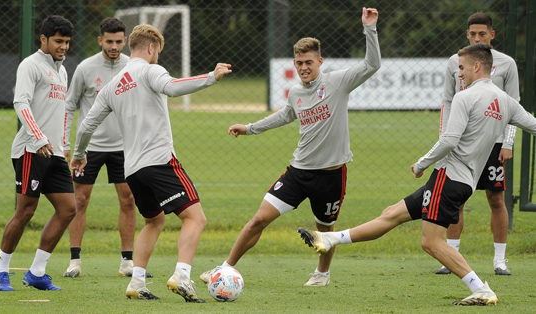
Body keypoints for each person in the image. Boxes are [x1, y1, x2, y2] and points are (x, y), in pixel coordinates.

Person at [298, 43, 536, 305]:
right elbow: (533, 125)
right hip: (463, 181)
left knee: (431, 242)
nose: (459, 73)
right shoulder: (506, 101)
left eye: (461, 67)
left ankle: (481, 289)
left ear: (476, 66)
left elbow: (449, 140)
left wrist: (422, 163)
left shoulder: (464, 97)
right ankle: (329, 238)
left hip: (448, 176)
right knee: (392, 214)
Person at [199, 7, 381, 287]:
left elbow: (372, 65)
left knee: (325, 230)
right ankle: (223, 268)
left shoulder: (338, 82)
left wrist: (369, 27)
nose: (303, 68)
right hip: (298, 173)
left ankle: (322, 274)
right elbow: (285, 115)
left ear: (320, 61)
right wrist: (249, 128)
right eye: (299, 63)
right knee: (260, 218)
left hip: (331, 175)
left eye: (308, 62)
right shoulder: (296, 92)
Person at [70, 24, 232, 301]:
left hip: (131, 168)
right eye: (158, 51)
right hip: (159, 161)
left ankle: (137, 282)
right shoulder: (150, 70)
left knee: (154, 221)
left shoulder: (112, 85)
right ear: (151, 47)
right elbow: (172, 87)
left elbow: (86, 125)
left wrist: (79, 154)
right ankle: (182, 275)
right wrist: (210, 77)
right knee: (195, 218)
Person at [0, 15, 76, 291]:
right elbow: (21, 102)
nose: (63, 47)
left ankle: (37, 272)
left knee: (68, 209)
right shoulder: (30, 65)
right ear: (44, 39)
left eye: (67, 42)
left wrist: (62, 145)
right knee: (25, 211)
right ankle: (1, 270)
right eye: (58, 41)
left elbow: (61, 112)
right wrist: (38, 138)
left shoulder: (62, 71)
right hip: (30, 150)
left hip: (54, 153)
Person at [62, 17, 151, 279]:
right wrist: (66, 143)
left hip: (125, 148)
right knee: (79, 201)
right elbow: (69, 105)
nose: (114, 46)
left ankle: (127, 262)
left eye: (119, 41)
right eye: (109, 41)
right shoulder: (85, 68)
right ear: (100, 40)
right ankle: (75, 261)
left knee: (129, 200)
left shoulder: (134, 67)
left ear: (126, 41)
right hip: (90, 149)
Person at [435, 12, 519, 276]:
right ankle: (451, 257)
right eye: (472, 34)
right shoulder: (454, 63)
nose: (477, 38)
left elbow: (514, 105)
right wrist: (444, 138)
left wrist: (508, 142)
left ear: (492, 35)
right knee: (455, 198)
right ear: (466, 35)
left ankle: (499, 260)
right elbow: (447, 101)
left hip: (493, 143)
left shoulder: (506, 64)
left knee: (496, 199)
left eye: (482, 34)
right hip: (460, 144)